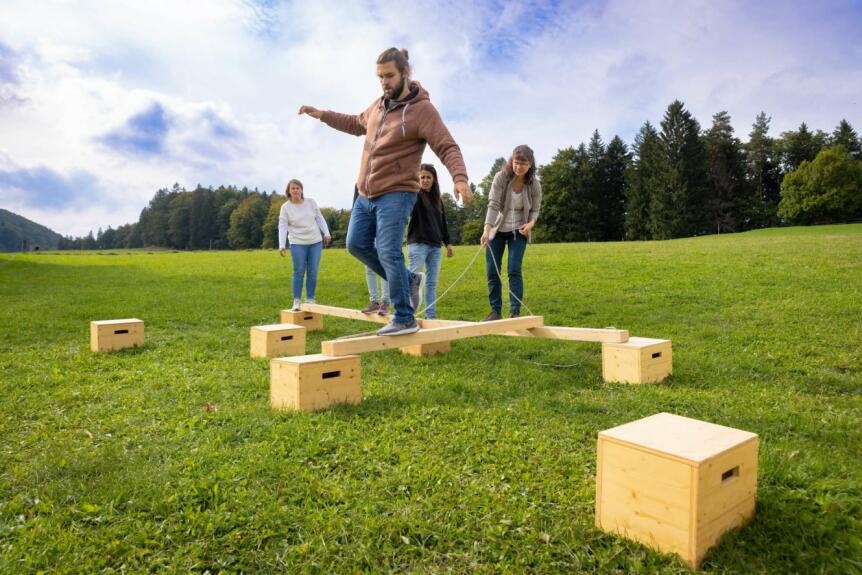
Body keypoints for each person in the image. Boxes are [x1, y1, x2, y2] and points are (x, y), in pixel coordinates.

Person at [298, 47, 472, 336]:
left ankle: (404, 317)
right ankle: (407, 280)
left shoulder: (422, 110)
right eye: (379, 77)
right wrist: (323, 115)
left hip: (397, 192)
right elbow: (355, 123)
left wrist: (460, 178)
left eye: (389, 76)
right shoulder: (378, 105)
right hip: (365, 194)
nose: (384, 82)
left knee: (389, 250)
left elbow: (446, 145)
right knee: (355, 244)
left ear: (406, 73)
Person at [480, 145, 542, 321]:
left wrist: (530, 224)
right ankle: (495, 312)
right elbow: (492, 205)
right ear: (511, 161)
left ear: (530, 165)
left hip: (519, 232)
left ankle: (515, 312)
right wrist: (486, 231)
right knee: (492, 270)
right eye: (516, 163)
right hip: (497, 230)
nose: (519, 167)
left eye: (523, 164)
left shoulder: (534, 184)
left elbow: (535, 210)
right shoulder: (501, 177)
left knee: (514, 269)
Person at [278, 179, 332, 311]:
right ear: (289, 191)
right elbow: (283, 226)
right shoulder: (285, 207)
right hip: (297, 243)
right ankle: (296, 301)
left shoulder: (311, 202)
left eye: (298, 188)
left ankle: (310, 299)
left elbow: (319, 218)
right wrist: (281, 244)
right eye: (293, 188)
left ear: (301, 190)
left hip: (315, 242)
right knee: (299, 271)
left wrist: (326, 233)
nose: (296, 190)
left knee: (313, 271)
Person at [407, 163, 453, 319]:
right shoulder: (414, 196)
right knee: (412, 282)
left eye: (428, 177)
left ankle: (431, 315)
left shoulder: (438, 200)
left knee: (432, 283)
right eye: (422, 177)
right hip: (418, 244)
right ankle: (407, 314)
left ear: (434, 180)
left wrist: (447, 243)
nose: (425, 180)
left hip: (435, 247)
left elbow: (443, 223)